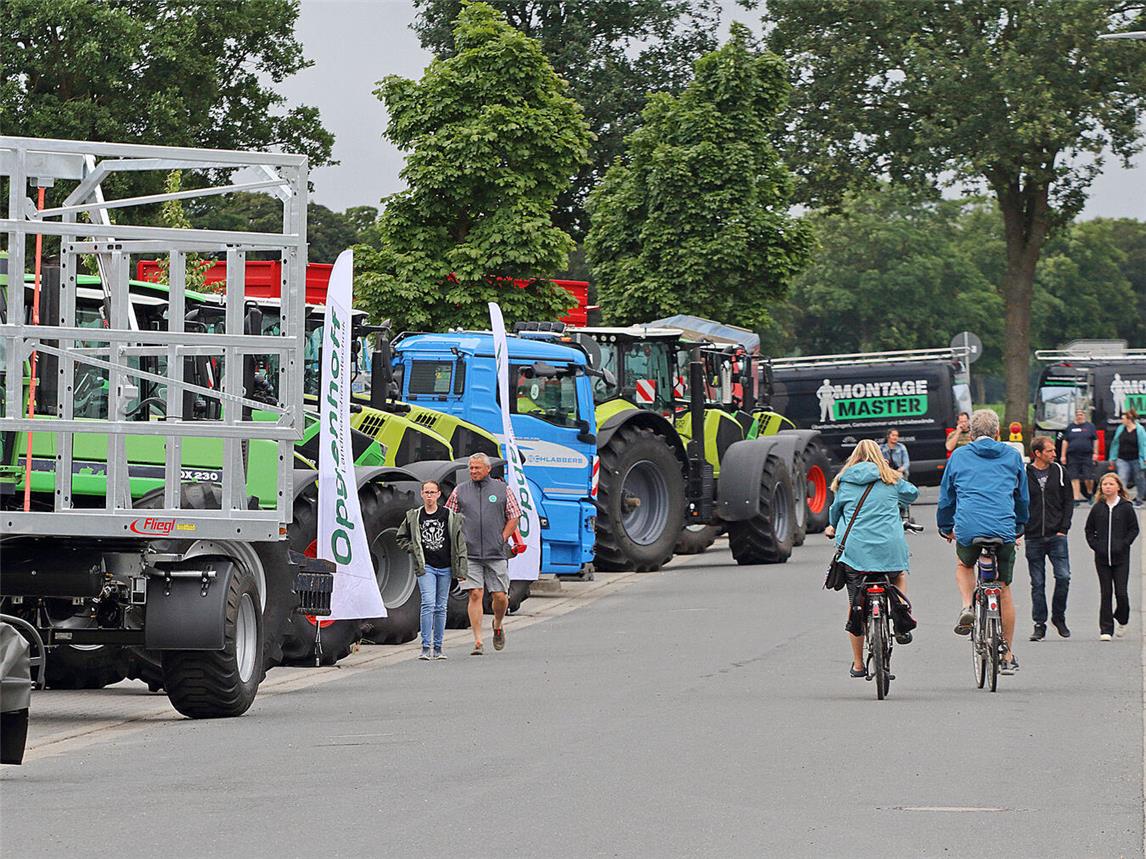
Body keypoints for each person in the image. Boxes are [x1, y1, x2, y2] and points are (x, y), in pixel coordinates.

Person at [937, 409, 1029, 674]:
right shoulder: (1012, 455)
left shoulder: (959, 455)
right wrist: (1019, 525)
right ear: (998, 433)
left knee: (964, 565)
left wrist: (946, 527)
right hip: (1003, 527)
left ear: (972, 434)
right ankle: (1008, 655)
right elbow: (1022, 498)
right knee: (1004, 587)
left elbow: (947, 498)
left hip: (968, 526)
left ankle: (967, 605)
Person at [825, 439, 920, 678]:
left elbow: (835, 514)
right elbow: (913, 494)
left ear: (854, 458)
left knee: (855, 604)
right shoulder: (891, 478)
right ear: (881, 457)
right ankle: (901, 613)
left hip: (856, 554)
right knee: (897, 575)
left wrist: (833, 528)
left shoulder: (844, 481)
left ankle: (858, 664)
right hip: (889, 550)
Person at [445, 453, 521, 655]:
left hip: (495, 551)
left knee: (500, 596)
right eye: (470, 468)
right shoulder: (460, 491)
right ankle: (478, 640)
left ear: (487, 469)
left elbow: (514, 516)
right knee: (475, 593)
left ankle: (497, 623)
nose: (473, 471)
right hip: (470, 552)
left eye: (477, 468)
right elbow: (448, 516)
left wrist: (502, 538)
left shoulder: (502, 490)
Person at [396, 480, 468, 660]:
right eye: (426, 492)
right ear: (421, 494)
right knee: (428, 603)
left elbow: (460, 544)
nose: (429, 496)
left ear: (438, 494)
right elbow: (401, 537)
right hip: (426, 566)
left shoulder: (449, 515)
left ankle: (438, 646)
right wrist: (413, 549)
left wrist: (461, 569)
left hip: (445, 567)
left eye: (432, 492)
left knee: (441, 606)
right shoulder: (414, 516)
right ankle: (425, 646)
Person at [1024, 436, 1073, 641]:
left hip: (1056, 535)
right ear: (1037, 453)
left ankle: (1058, 617)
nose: (1054, 454)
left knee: (1063, 577)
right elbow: (1018, 500)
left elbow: (1068, 501)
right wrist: (1022, 528)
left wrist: (1064, 528)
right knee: (1038, 583)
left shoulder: (1060, 472)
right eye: (1050, 451)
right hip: (1033, 536)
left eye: (1054, 450)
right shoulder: (1024, 474)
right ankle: (1039, 624)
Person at [1084, 473, 1140, 641]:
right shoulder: (1097, 507)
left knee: (1121, 593)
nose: (1107, 487)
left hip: (1121, 558)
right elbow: (1089, 530)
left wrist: (1124, 544)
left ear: (1118, 487)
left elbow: (1134, 529)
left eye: (1110, 484)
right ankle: (1106, 629)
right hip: (1102, 558)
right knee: (1106, 593)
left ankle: (1122, 618)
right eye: (1104, 484)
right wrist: (1096, 545)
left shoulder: (1126, 507)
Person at [880, 428, 921, 532]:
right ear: (888, 436)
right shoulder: (882, 448)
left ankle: (902, 506)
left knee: (902, 481)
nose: (895, 438)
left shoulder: (901, 447)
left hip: (899, 473)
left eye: (896, 435)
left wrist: (900, 470)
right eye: (893, 435)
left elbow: (906, 463)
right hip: (887, 473)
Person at [1107, 408, 1146, 507]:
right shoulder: (1120, 429)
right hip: (1122, 459)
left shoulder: (1140, 430)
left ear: (1129, 419)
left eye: (1123, 418)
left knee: (1139, 479)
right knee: (1122, 479)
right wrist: (1112, 458)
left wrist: (1144, 457)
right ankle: (1122, 499)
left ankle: (1139, 498)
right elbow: (1115, 444)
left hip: (1136, 459)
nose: (1122, 420)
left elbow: (1143, 445)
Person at [1060, 408, 1100, 503]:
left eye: (1081, 414)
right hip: (1073, 455)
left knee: (1088, 477)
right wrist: (1063, 455)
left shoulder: (1090, 426)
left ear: (1084, 416)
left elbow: (1095, 440)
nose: (1079, 416)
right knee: (1074, 477)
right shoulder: (1070, 427)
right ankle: (1076, 498)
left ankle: (1090, 493)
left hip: (1087, 455)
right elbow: (1065, 441)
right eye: (1077, 414)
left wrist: (1095, 453)